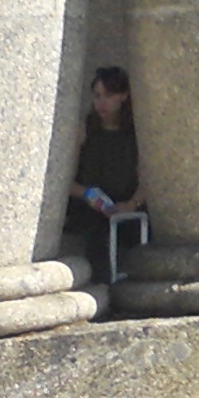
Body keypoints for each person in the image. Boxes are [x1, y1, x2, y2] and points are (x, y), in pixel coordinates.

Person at [64, 65, 143, 287]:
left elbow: (145, 177)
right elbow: (65, 181)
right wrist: (88, 194)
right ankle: (103, 286)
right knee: (97, 232)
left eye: (108, 96)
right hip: (89, 205)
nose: (101, 103)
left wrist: (131, 204)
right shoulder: (85, 129)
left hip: (126, 203)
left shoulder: (135, 132)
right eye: (97, 96)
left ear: (123, 97)